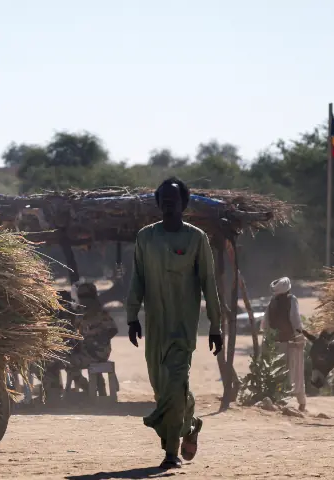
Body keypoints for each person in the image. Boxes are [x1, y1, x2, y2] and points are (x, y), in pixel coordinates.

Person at [126, 177, 223, 470]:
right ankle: (190, 424)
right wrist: (132, 316)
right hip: (155, 327)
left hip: (183, 328)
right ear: (158, 204)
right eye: (164, 200)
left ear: (184, 204)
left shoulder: (196, 239)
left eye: (174, 200)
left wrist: (216, 325)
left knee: (175, 383)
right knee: (164, 389)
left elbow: (209, 283)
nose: (169, 204)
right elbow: (137, 279)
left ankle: (170, 452)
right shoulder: (145, 237)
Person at [260, 276, 306, 412]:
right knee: (296, 372)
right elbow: (295, 320)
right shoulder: (292, 300)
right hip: (291, 343)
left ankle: (279, 399)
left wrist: (268, 341)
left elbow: (265, 323)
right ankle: (301, 402)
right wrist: (300, 338)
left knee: (279, 372)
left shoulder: (272, 302)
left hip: (276, 344)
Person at [67, 282, 118, 396]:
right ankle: (95, 389)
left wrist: (95, 338)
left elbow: (112, 330)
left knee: (67, 364)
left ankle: (88, 390)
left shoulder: (100, 313)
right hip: (86, 353)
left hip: (96, 354)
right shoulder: (81, 314)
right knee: (69, 359)